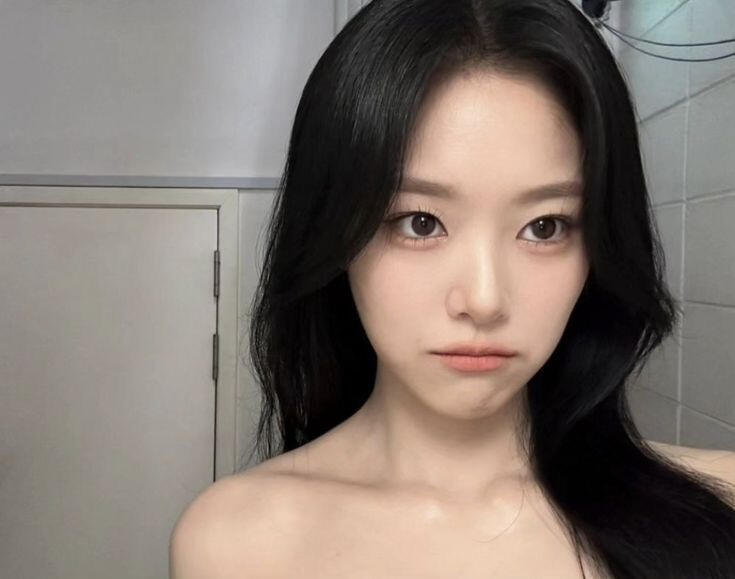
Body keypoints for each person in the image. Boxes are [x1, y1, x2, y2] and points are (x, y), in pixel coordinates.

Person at [170, 1, 735, 577]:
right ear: (333, 233)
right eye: (420, 223)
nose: (484, 300)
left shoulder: (719, 508)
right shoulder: (235, 543)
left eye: (545, 227)